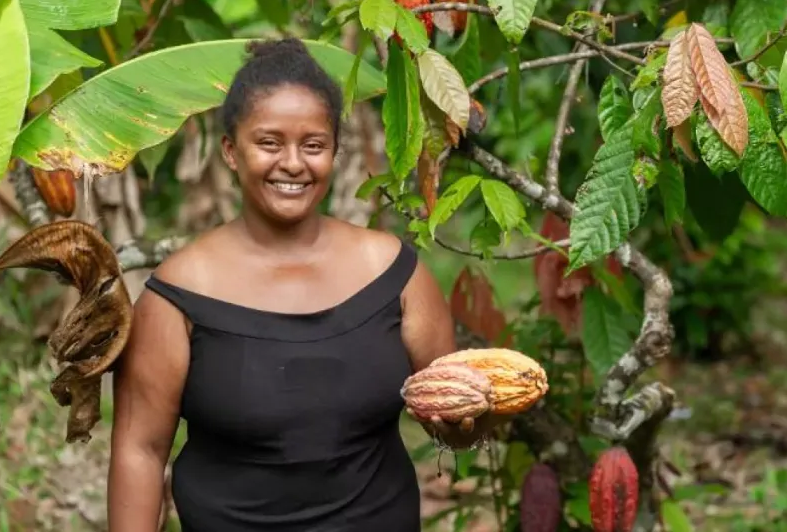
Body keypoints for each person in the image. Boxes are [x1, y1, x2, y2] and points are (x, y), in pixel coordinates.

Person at [107, 37, 497, 532]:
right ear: (231, 151)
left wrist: (475, 417)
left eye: (313, 145)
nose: (293, 163)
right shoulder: (179, 292)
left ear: (334, 151)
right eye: (269, 143)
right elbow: (140, 450)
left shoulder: (394, 272)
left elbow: (452, 423)